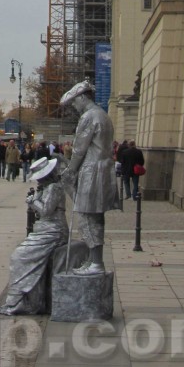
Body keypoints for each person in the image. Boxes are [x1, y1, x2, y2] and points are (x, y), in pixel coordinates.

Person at [59, 80, 118, 275]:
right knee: (95, 217)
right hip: (102, 170)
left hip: (92, 172)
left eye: (75, 103)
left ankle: (96, 263)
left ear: (82, 97)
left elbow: (79, 149)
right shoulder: (103, 115)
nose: (74, 108)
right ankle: (94, 260)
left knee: (86, 216)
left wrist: (70, 171)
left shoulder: (89, 116)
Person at [0, 157, 68, 315]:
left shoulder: (54, 188)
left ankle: (21, 301)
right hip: (45, 230)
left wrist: (32, 201)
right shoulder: (46, 188)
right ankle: (24, 299)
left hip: (54, 231)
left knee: (19, 256)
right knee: (19, 255)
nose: (37, 182)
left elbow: (46, 211)